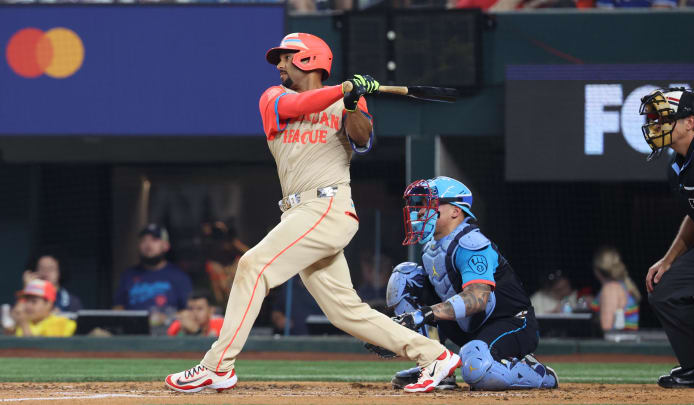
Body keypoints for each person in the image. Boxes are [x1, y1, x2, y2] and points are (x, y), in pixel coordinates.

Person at [165, 33, 459, 394]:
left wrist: (352, 102)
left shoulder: (347, 101)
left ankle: (217, 365)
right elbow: (295, 109)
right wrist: (343, 90)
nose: (280, 64)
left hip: (328, 206)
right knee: (345, 311)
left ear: (308, 59)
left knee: (252, 266)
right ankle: (434, 354)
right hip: (298, 212)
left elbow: (363, 139)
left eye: (286, 57)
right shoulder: (273, 98)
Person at [386, 176, 557, 391]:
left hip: (511, 323)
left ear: (456, 211)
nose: (421, 211)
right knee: (405, 276)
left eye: (431, 203)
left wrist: (423, 314)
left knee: (476, 369)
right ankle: (435, 365)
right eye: (421, 204)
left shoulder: (471, 244)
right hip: (468, 325)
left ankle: (540, 374)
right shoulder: (432, 247)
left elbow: (477, 300)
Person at [639, 87, 694, 388]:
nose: (655, 125)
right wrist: (668, 260)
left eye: (663, 118)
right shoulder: (678, 167)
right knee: (665, 287)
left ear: (690, 122)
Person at [113, 224, 192, 312]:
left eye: (154, 240)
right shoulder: (128, 275)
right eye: (143, 240)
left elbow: (188, 311)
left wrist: (168, 318)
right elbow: (117, 308)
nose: (148, 245)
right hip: (132, 325)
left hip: (169, 325)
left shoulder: (179, 276)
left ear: (166, 246)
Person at [588, 246, 640, 331]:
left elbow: (607, 327)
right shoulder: (620, 286)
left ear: (597, 270)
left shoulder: (610, 289)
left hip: (617, 343)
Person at [11, 279, 76, 337]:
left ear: (48, 304)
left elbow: (38, 349)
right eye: (26, 301)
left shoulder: (60, 323)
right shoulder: (21, 322)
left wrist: (24, 325)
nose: (28, 306)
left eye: (34, 301)